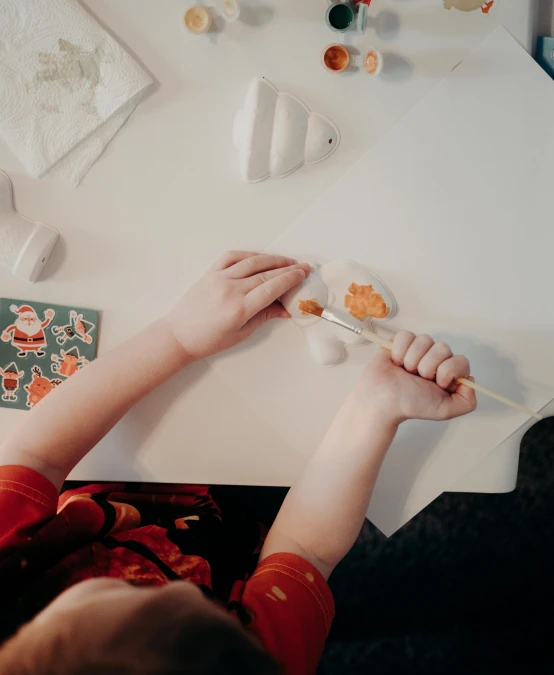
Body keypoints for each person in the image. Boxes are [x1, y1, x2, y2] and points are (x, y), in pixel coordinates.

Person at [0, 252, 477, 675]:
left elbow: (34, 455)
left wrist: (177, 336)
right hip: (249, 531)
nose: (187, 591)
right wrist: (377, 407)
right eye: (194, 607)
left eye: (134, 593)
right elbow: (305, 549)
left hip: (104, 493)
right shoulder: (254, 660)